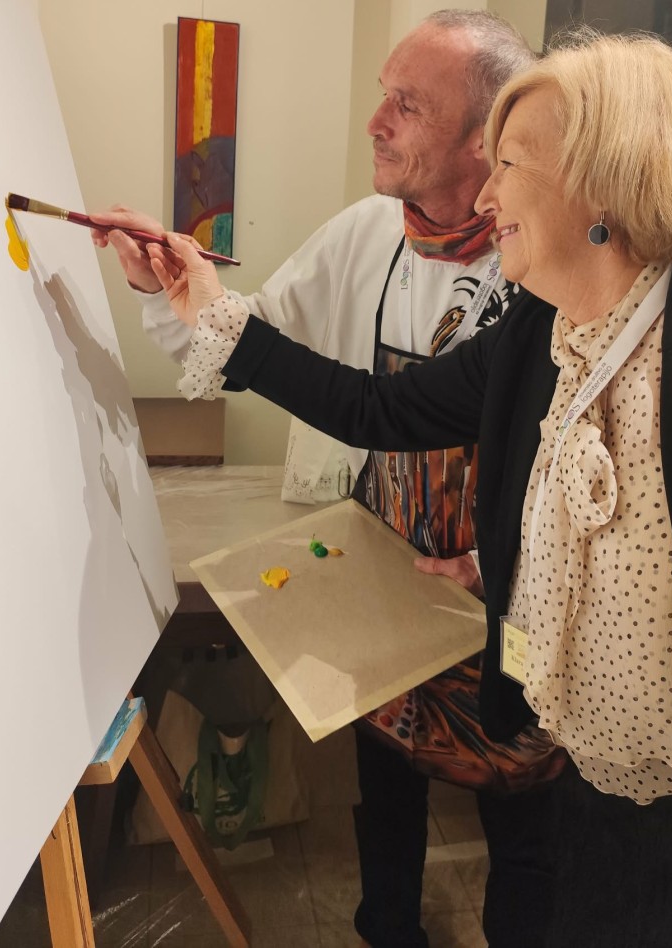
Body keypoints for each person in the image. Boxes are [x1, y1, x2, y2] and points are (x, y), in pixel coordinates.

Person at [150, 28, 672, 947]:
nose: (489, 194)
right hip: (581, 765)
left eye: (510, 164)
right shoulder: (541, 331)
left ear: (606, 180)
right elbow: (378, 409)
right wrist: (208, 311)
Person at [95, 12, 559, 948]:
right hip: (381, 579)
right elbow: (247, 343)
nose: (375, 122)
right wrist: (161, 287)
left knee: (524, 822)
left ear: (485, 139)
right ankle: (388, 930)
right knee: (383, 791)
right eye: (381, 94)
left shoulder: (549, 266)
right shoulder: (364, 235)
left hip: (511, 606)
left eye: (407, 105)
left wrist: (505, 561)